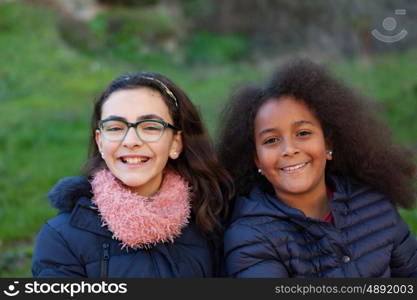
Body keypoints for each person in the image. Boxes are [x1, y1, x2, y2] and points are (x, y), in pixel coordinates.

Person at [218, 60, 417, 277]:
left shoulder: (374, 203)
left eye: (303, 133)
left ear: (328, 144)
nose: (289, 150)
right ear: (257, 159)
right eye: (272, 140)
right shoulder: (248, 237)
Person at [32, 72, 233, 277]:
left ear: (175, 143)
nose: (130, 140)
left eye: (150, 127)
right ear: (101, 142)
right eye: (116, 127)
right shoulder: (61, 237)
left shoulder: (211, 221)